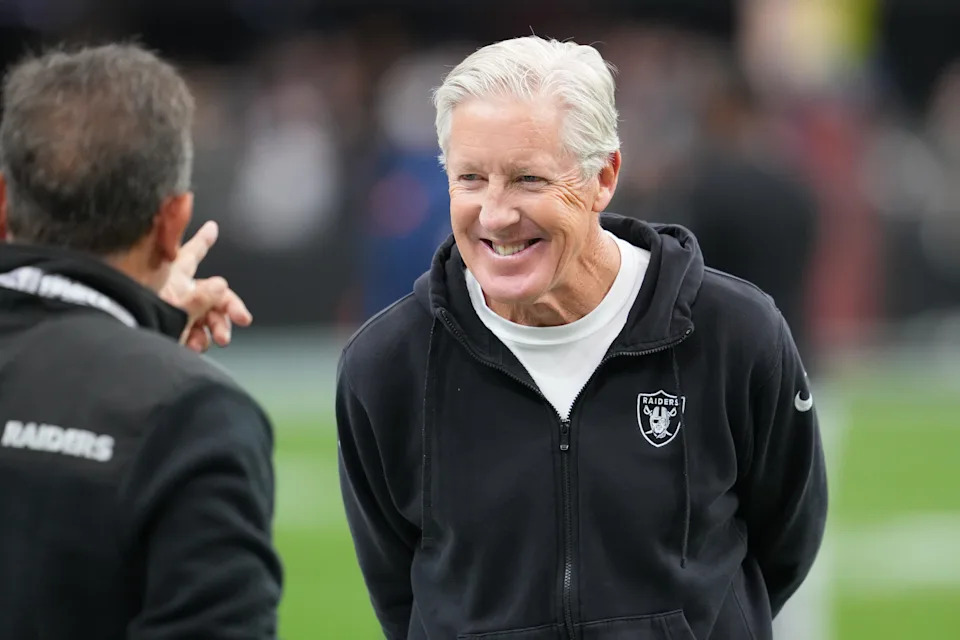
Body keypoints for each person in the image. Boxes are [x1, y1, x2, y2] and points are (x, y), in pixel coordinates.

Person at [337, 36, 827, 640]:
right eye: (470, 178)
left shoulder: (735, 332)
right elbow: (398, 587)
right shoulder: (386, 365)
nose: (495, 214)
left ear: (603, 177)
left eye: (528, 179)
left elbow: (785, 542)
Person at [0, 44, 282, 638]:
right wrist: (141, 355)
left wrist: (138, 323)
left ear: (3, 204)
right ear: (173, 223)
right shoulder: (191, 414)